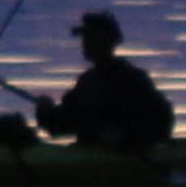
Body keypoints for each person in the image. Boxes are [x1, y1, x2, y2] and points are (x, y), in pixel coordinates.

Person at [38, 10, 173, 154]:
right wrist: (45, 111)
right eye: (85, 38)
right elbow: (63, 124)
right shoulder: (86, 81)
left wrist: (124, 136)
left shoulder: (132, 79)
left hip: (120, 155)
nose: (84, 44)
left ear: (107, 42)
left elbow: (160, 122)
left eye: (90, 38)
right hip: (88, 154)